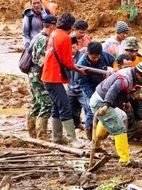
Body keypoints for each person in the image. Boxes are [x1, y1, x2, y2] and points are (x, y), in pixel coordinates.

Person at [89, 61, 142, 165]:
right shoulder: (125, 79)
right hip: (101, 102)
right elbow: (112, 91)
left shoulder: (130, 73)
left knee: (122, 116)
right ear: (138, 74)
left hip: (101, 99)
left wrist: (127, 101)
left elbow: (123, 91)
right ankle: (125, 159)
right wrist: (106, 105)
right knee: (119, 129)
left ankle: (96, 142)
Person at [41, 13, 87, 148]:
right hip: (54, 77)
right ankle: (73, 139)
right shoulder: (65, 38)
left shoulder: (54, 33)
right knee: (66, 106)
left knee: (57, 105)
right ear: (72, 26)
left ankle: (57, 137)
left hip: (48, 75)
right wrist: (79, 70)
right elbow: (68, 63)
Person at [27, 15, 57, 139]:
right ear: (51, 26)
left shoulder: (36, 37)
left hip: (32, 75)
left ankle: (32, 133)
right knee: (47, 104)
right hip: (39, 76)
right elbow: (41, 61)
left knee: (36, 103)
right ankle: (41, 134)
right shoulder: (43, 40)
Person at [77, 41, 115, 138]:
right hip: (90, 87)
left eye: (98, 56)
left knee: (106, 108)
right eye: (93, 57)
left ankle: (102, 133)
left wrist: (111, 69)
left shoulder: (104, 55)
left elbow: (114, 62)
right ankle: (90, 135)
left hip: (102, 86)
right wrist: (92, 95)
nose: (96, 59)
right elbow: (83, 83)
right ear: (88, 54)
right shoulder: (81, 63)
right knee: (91, 109)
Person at [67, 36, 94, 141]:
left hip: (81, 89)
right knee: (72, 110)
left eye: (74, 47)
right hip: (70, 88)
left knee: (88, 109)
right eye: (70, 48)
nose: (72, 50)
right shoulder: (66, 58)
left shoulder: (82, 57)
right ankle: (76, 126)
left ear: (77, 46)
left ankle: (89, 131)